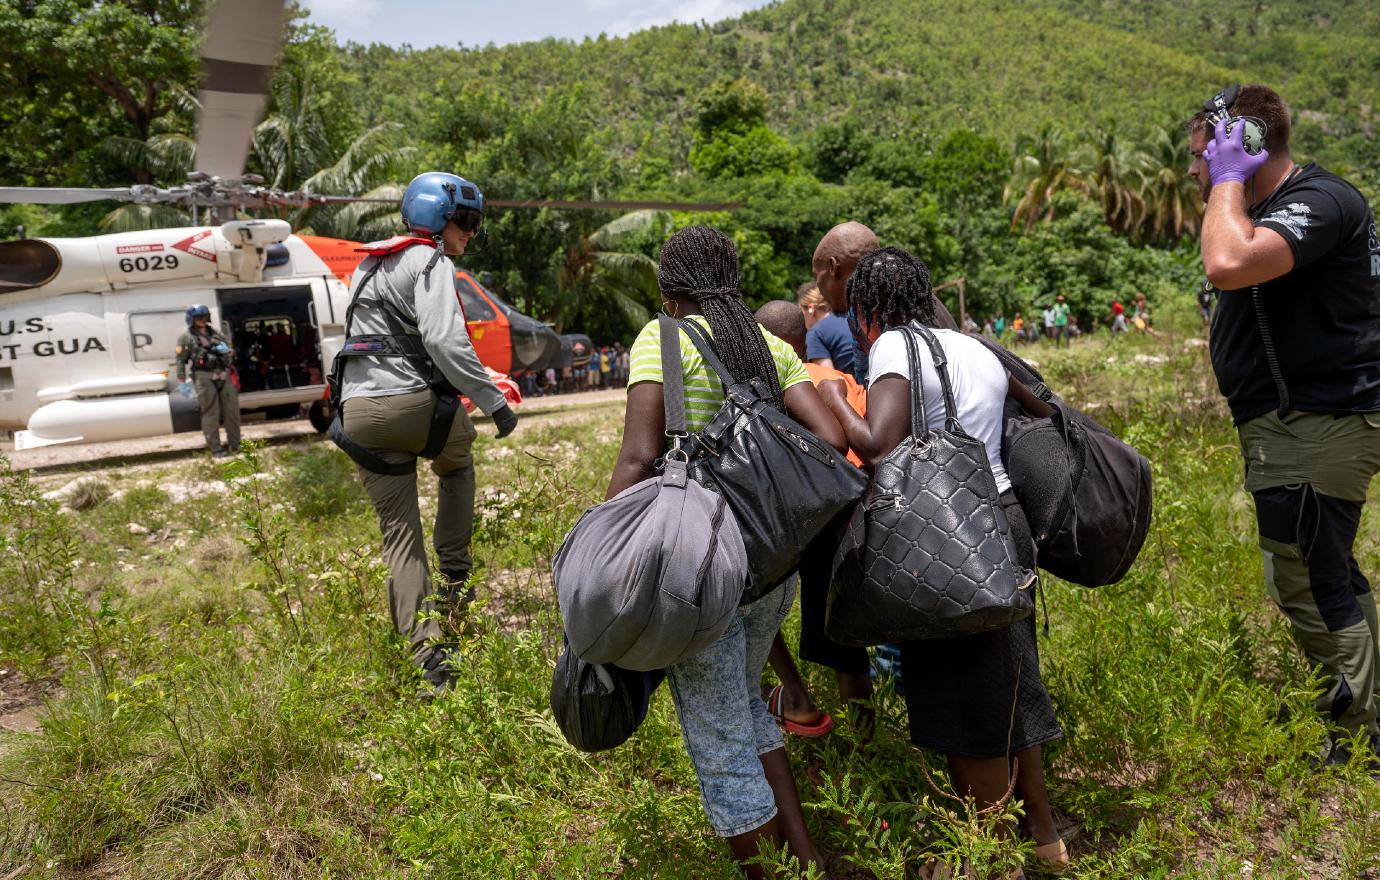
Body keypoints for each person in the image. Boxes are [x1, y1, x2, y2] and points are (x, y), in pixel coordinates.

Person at [817, 247, 1068, 873]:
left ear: (870, 309)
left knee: (961, 702)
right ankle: (1043, 837)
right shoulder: (975, 346)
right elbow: (1040, 409)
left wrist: (833, 396)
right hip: (1003, 521)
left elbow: (878, 442)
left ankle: (984, 855)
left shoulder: (892, 347)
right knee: (1012, 682)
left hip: (943, 533)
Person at [610, 226, 845, 878]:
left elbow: (637, 456)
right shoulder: (770, 344)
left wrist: (599, 549)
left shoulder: (662, 338)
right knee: (745, 705)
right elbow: (827, 435)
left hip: (701, 571)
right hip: (771, 566)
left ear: (669, 284)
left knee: (719, 742)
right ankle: (807, 862)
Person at [1189, 83, 1380, 765]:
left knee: (1311, 576)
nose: (1194, 172)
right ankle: (1356, 704)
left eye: (1202, 156)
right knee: (1315, 570)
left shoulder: (1320, 201)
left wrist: (1227, 180)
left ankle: (1358, 735)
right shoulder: (1267, 210)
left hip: (1317, 419)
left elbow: (1227, 263)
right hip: (1291, 423)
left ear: (1240, 145)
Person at [333, 171, 519, 692]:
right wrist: (495, 405)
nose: (472, 235)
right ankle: (457, 581)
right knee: (457, 465)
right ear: (443, 221)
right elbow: (445, 341)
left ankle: (428, 661)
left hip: (359, 416)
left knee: (399, 539)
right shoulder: (430, 261)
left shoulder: (366, 268)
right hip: (415, 409)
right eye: (470, 223)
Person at [754, 299, 875, 739]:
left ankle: (800, 699)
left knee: (750, 604)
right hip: (866, 509)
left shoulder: (780, 388)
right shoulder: (839, 379)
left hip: (817, 518)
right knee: (850, 645)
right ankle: (865, 742)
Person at [175, 304, 240, 457]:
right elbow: (180, 360)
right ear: (192, 319)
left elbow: (231, 352)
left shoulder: (217, 334)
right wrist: (182, 382)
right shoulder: (186, 338)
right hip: (204, 378)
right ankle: (216, 449)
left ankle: (235, 445)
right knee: (211, 413)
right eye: (199, 317)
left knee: (232, 412)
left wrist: (228, 351)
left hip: (223, 375)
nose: (202, 320)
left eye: (204, 317)